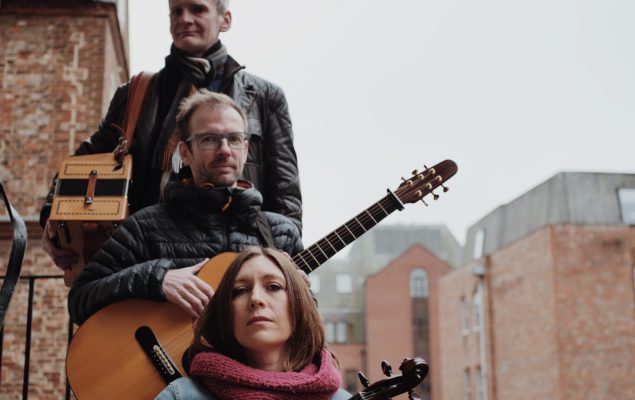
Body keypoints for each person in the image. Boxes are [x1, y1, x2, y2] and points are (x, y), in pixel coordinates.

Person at [41, 0, 302, 269]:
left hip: (236, 262)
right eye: (176, 11)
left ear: (225, 20)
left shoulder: (266, 97)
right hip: (148, 259)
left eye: (197, 9)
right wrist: (53, 215)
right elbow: (84, 160)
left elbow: (285, 194)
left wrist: (284, 262)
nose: (184, 18)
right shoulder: (135, 94)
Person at [68, 90, 302, 325]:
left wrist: (300, 299)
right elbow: (80, 300)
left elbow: (304, 334)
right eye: (209, 139)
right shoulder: (144, 227)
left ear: (246, 148)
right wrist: (157, 279)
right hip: (170, 361)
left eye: (233, 139)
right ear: (185, 152)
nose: (224, 150)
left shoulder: (280, 232)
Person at [155, 247, 351, 400]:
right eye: (240, 290)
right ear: (227, 313)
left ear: (299, 305)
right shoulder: (181, 396)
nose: (255, 298)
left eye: (273, 287)